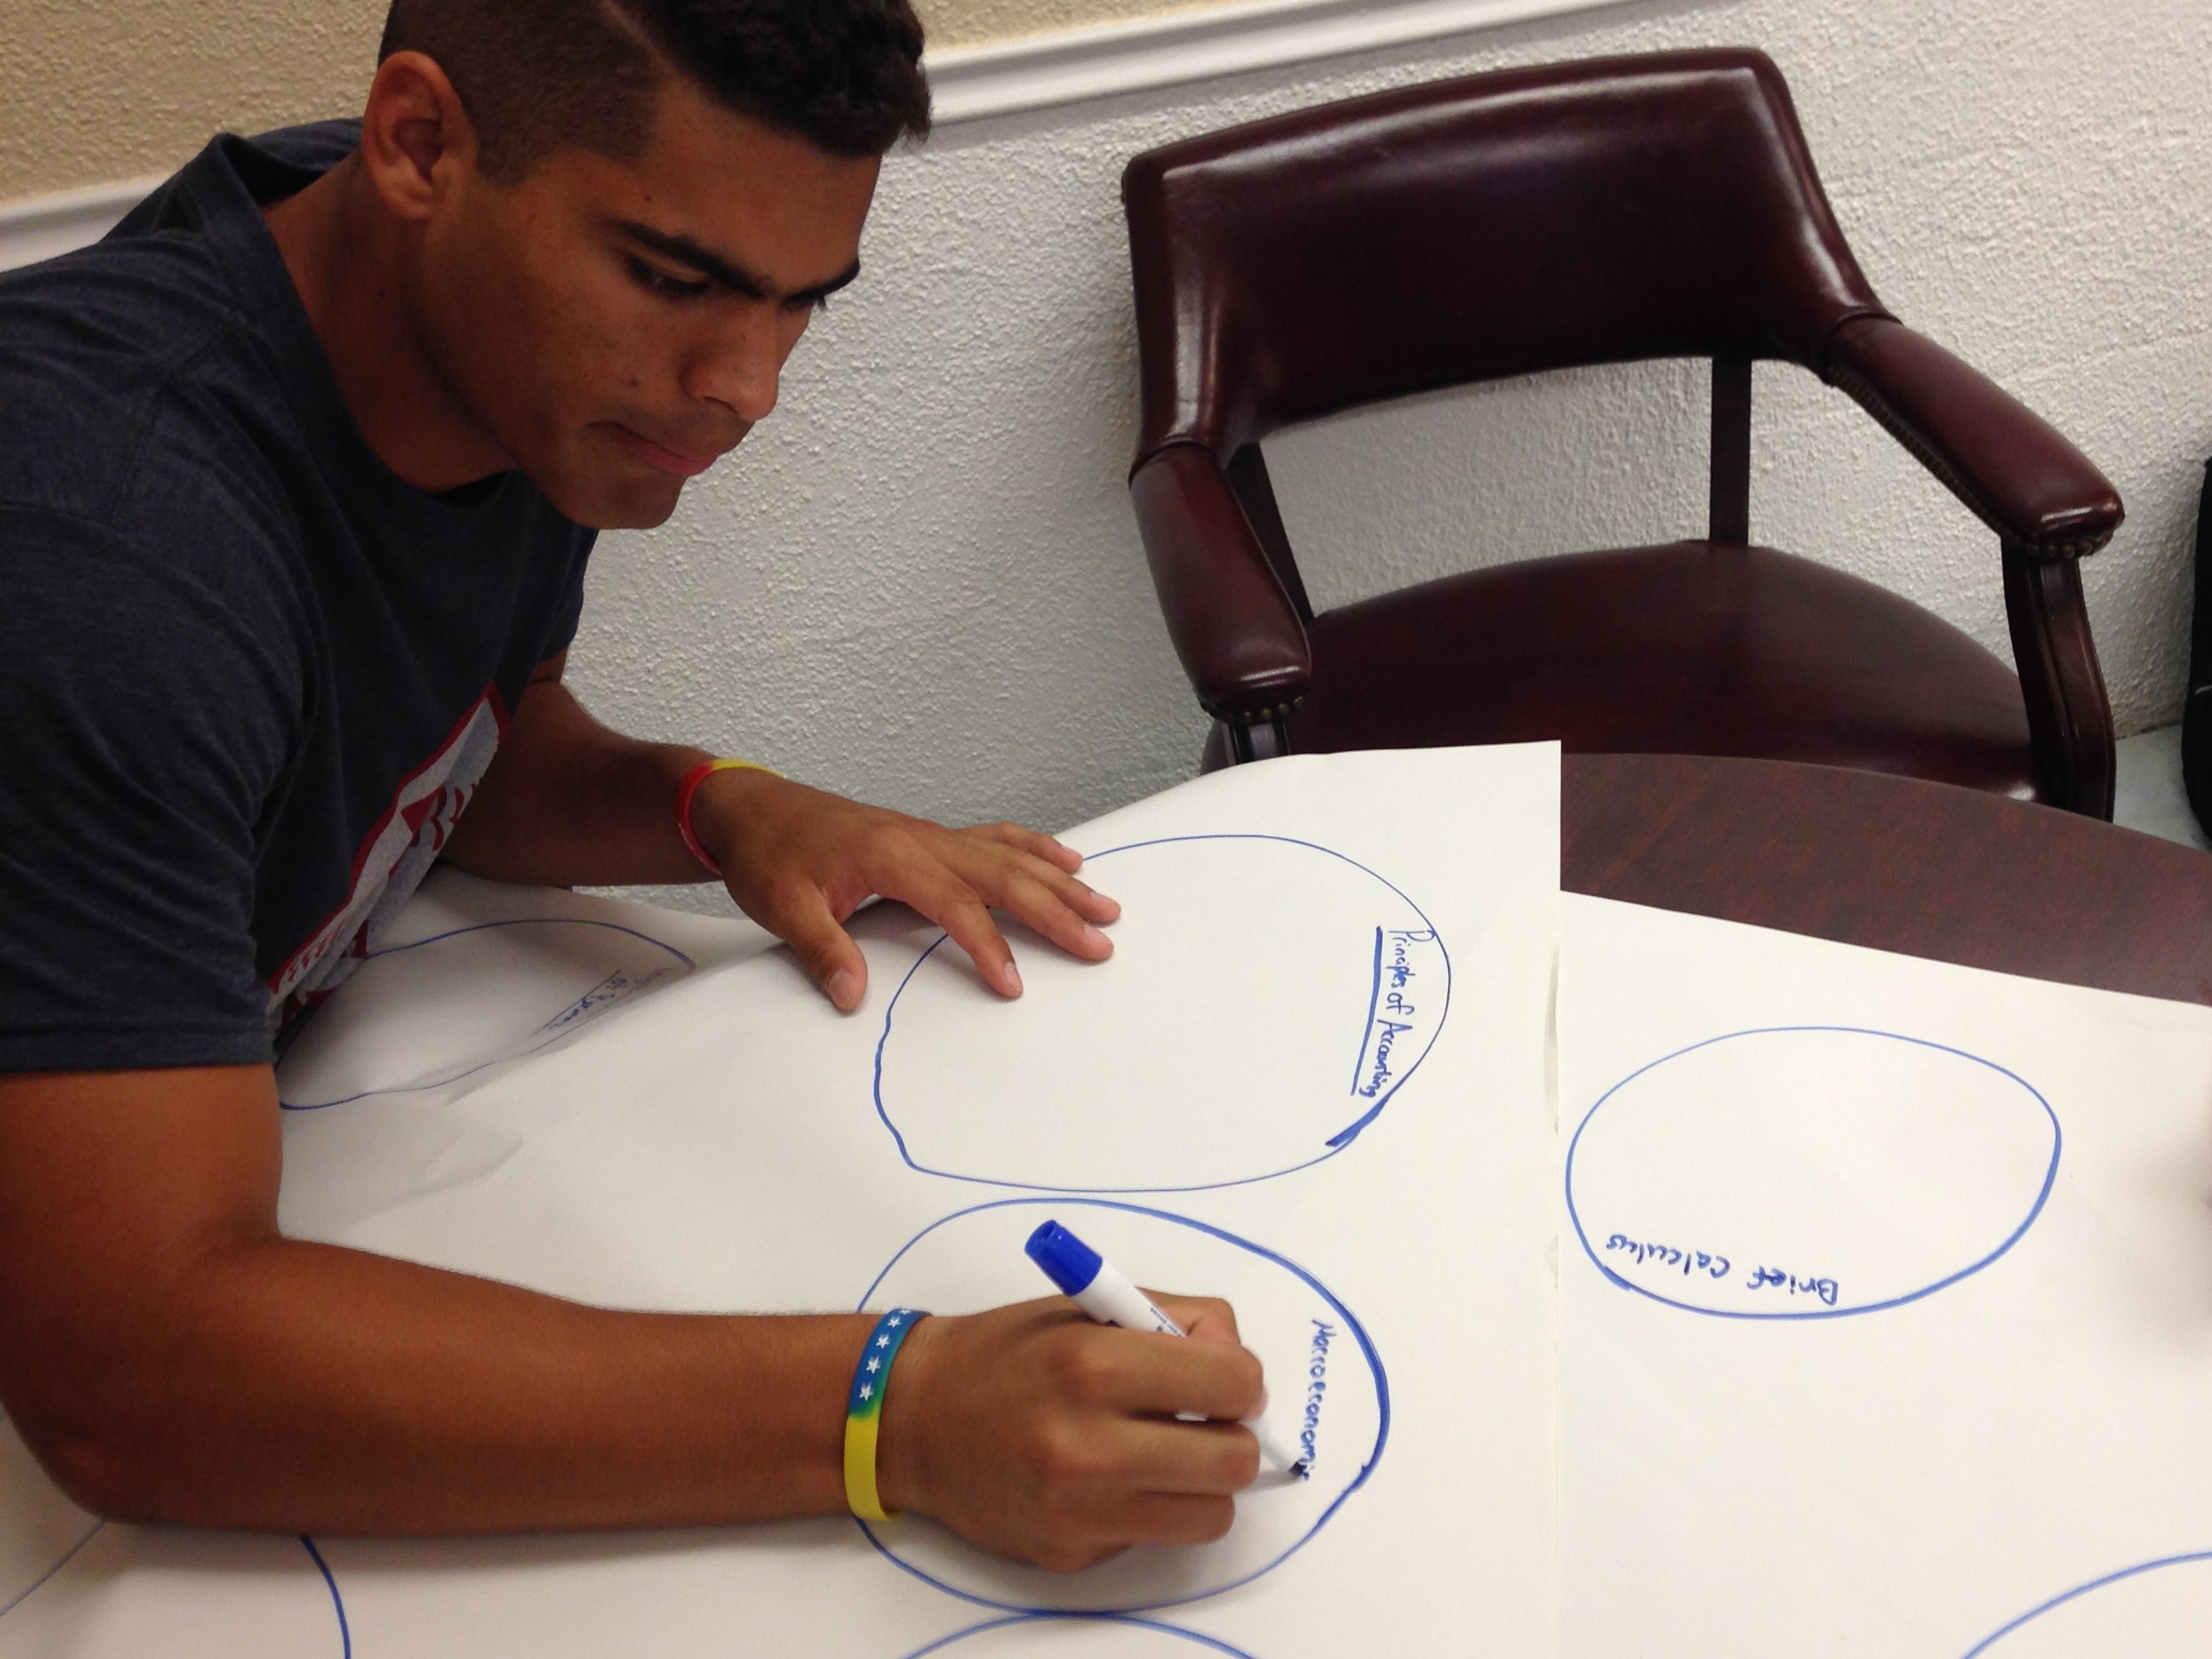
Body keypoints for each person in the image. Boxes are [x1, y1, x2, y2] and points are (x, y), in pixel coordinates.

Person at [0, 0, 1265, 1571]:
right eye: (675, 281)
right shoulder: (96, 550)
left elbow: (448, 731)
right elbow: (130, 1379)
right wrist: (900, 1409)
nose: (744, 387)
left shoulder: (462, 335)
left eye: (804, 303)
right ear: (418, 144)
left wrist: (713, 802)